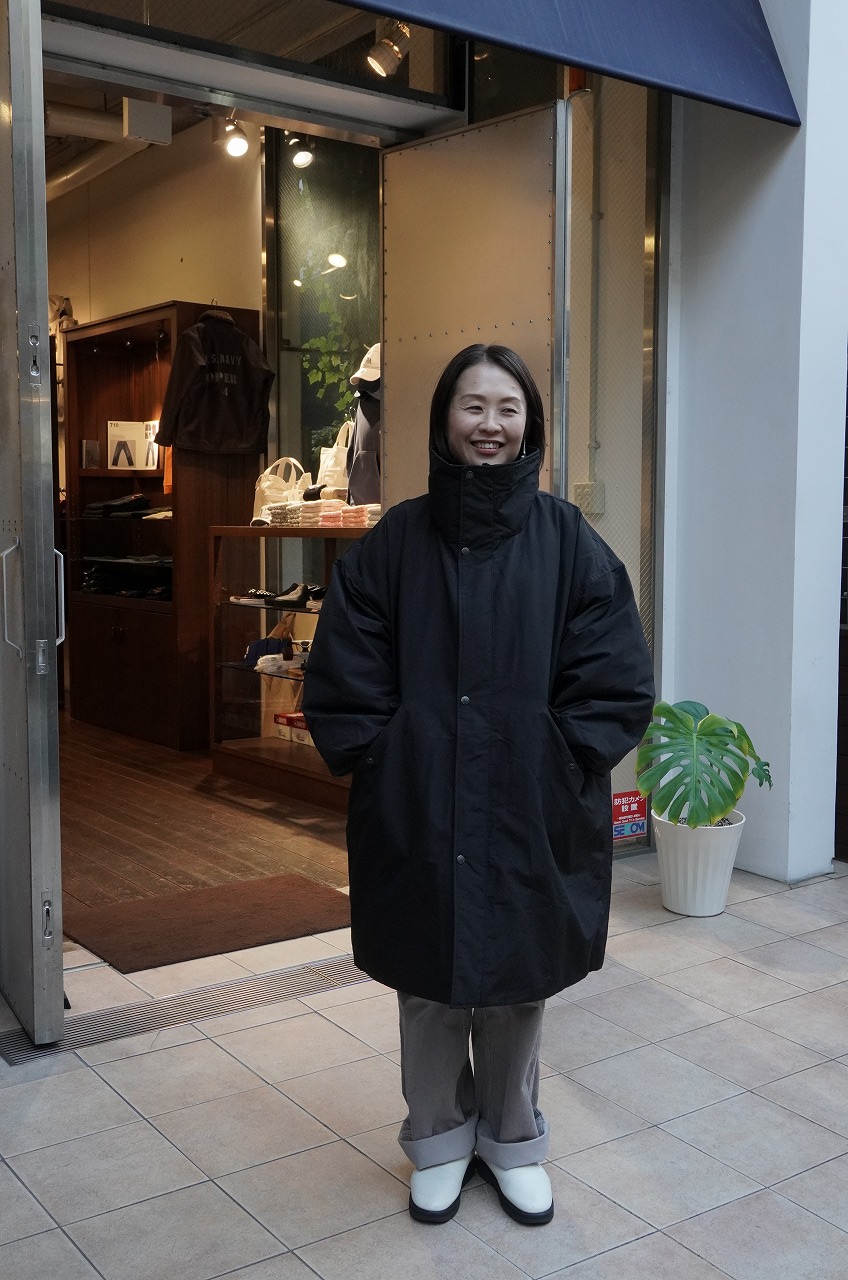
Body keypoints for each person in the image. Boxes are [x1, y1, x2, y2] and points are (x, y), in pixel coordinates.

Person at [303, 345, 654, 1227]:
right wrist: (388, 758)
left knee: (515, 982)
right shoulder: (395, 542)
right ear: (443, 420)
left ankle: (512, 1139)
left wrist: (560, 759)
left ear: (529, 423)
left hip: (531, 802)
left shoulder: (568, 542)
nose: (489, 425)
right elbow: (345, 672)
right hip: (416, 799)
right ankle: (437, 1140)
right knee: (427, 985)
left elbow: (615, 678)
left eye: (507, 408)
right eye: (472, 406)